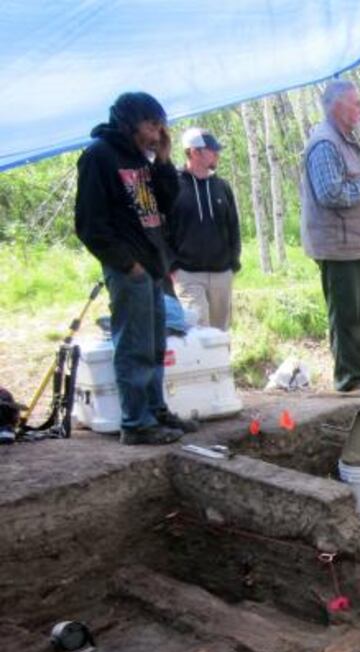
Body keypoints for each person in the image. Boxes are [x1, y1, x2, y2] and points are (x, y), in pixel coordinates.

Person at [75, 92, 195, 444]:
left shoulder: (143, 160)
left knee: (156, 345)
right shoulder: (99, 156)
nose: (157, 132)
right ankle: (136, 422)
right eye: (151, 124)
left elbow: (172, 202)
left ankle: (155, 411)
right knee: (135, 345)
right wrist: (128, 265)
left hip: (154, 264)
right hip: (130, 266)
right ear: (130, 123)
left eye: (160, 125)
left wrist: (162, 160)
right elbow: (89, 224)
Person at [300, 80, 360, 395]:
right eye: (356, 103)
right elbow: (331, 193)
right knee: (345, 316)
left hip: (354, 244)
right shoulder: (325, 144)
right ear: (336, 105)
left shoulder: (344, 140)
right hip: (336, 245)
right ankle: (349, 379)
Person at [167, 127, 241, 330]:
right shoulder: (172, 185)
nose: (217, 154)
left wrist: (233, 264)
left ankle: (222, 364)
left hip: (222, 273)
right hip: (187, 274)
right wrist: (173, 267)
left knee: (220, 332)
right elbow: (163, 229)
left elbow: (233, 226)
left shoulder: (222, 186)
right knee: (197, 331)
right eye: (212, 149)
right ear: (194, 151)